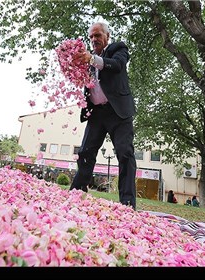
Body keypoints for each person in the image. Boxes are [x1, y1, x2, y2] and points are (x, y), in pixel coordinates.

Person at [69, 22, 137, 210]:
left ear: (107, 36)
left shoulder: (118, 48)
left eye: (97, 35)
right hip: (96, 113)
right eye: (91, 36)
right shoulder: (88, 59)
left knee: (125, 154)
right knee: (85, 152)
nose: (94, 39)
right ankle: (76, 194)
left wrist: (92, 59)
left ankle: (127, 204)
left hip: (118, 112)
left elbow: (117, 65)